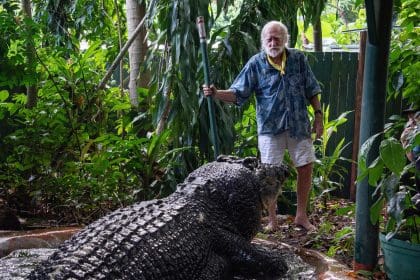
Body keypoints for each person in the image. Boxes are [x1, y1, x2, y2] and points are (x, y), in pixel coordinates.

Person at [203, 21, 323, 232]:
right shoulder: (256, 63)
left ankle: (301, 216)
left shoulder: (298, 59)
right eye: (268, 38)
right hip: (270, 128)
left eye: (277, 38)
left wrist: (319, 115)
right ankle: (272, 220)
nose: (273, 42)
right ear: (263, 41)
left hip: (298, 124)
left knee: (305, 167)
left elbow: (312, 88)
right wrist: (216, 93)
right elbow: (238, 93)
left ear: (285, 39)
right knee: (269, 175)